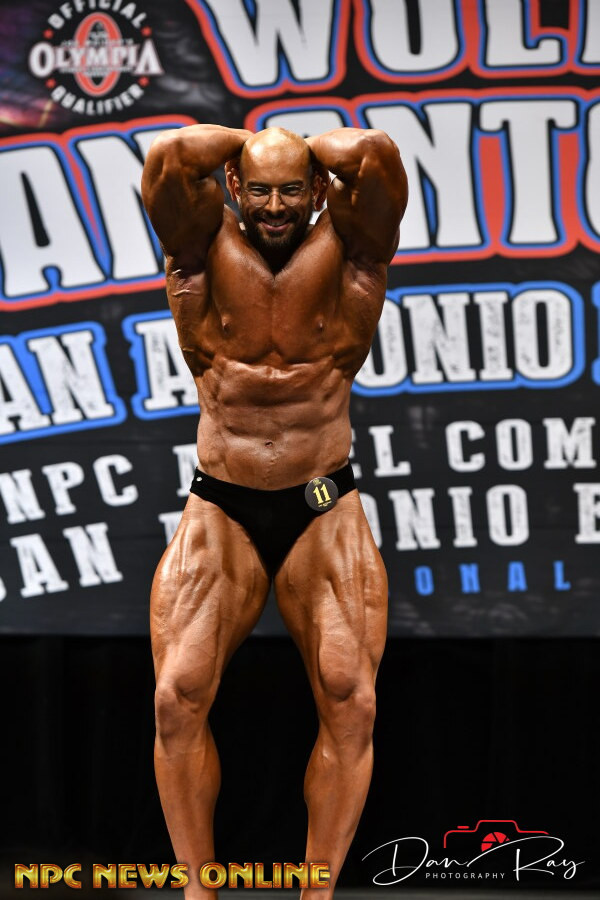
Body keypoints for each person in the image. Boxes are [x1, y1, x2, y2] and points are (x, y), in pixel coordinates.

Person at [141, 123, 408, 899]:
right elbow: (168, 160)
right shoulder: (198, 250)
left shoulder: (354, 254)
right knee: (176, 696)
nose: (274, 206)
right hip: (221, 504)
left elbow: (376, 156)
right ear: (233, 185)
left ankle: (316, 893)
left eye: (292, 189)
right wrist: (248, 142)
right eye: (258, 189)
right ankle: (198, 891)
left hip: (322, 505)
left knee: (351, 699)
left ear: (318, 189)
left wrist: (302, 148)